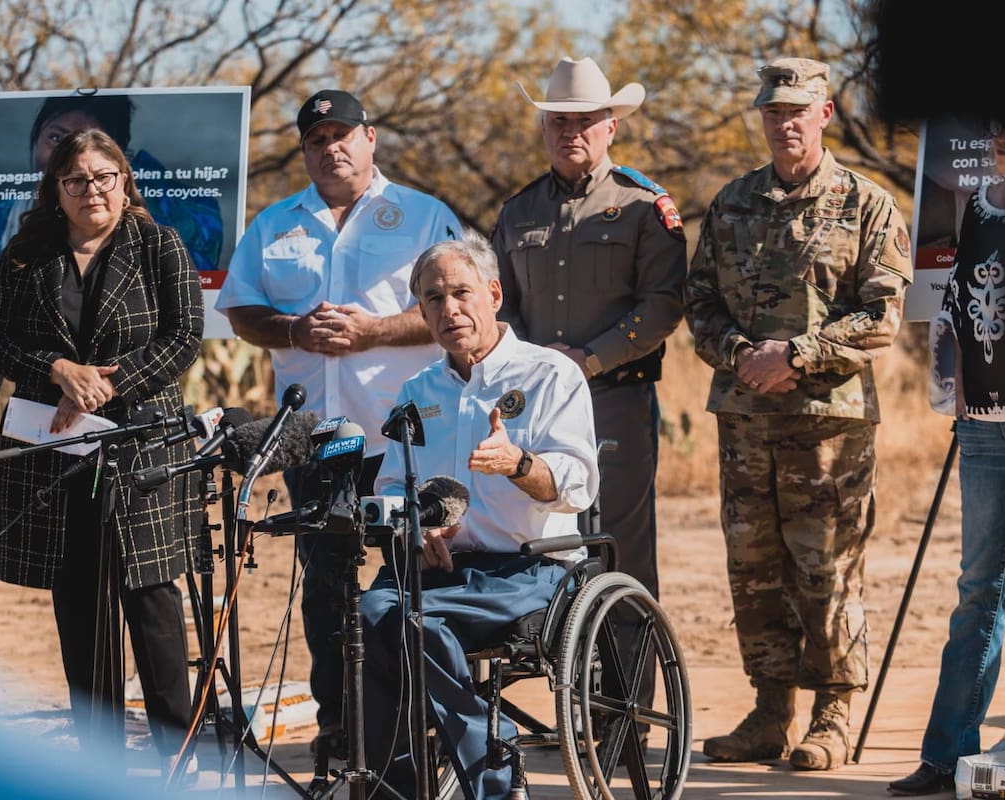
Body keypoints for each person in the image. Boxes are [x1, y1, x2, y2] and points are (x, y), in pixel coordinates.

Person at [214, 89, 461, 755]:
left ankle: (416, 729)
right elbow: (241, 310)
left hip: (407, 435)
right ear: (306, 150)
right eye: (318, 139)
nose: (332, 148)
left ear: (371, 137)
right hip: (319, 442)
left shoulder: (420, 215)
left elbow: (457, 308)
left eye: (343, 134)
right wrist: (294, 328)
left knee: (417, 579)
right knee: (325, 591)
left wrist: (376, 330)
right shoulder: (276, 224)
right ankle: (340, 729)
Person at [684, 57, 913, 770]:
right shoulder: (731, 203)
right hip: (746, 419)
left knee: (827, 568)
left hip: (829, 424)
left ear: (826, 113)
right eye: (772, 111)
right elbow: (700, 303)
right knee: (753, 569)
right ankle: (769, 711)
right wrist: (742, 355)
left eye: (797, 110)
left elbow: (883, 314)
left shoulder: (865, 204)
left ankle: (833, 714)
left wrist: (800, 354)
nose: (784, 123)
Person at [0, 128, 204, 779]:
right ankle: (100, 764)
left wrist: (106, 382)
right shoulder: (27, 255)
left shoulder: (159, 245)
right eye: (76, 180)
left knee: (152, 600)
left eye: (104, 176)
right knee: (79, 602)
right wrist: (56, 368)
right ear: (57, 189)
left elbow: (184, 336)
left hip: (143, 447)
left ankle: (177, 761)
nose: (92, 190)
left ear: (124, 180)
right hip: (56, 446)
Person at [361, 233, 599, 799]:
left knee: (413, 619)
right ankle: (394, 788)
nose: (450, 310)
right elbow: (394, 487)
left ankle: (494, 780)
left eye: (461, 293)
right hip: (443, 569)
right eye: (434, 299)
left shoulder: (550, 375)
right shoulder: (416, 392)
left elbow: (580, 485)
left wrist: (519, 462)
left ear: (493, 294)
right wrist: (418, 530)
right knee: (371, 612)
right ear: (422, 312)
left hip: (531, 569)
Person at [887, 119, 1005, 796]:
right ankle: (945, 757)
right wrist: (962, 397)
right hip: (987, 430)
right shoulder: (979, 208)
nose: (999, 139)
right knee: (978, 593)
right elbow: (962, 306)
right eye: (996, 127)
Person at [491, 55, 687, 635]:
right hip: (531, 407)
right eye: (558, 121)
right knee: (536, 542)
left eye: (584, 120)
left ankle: (629, 722)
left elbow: (663, 304)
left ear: (611, 126)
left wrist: (588, 359)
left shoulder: (643, 207)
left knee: (618, 549)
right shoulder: (518, 210)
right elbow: (501, 303)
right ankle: (571, 699)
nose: (570, 132)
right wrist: (534, 365)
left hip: (613, 401)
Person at [0, 94, 223, 274]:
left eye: (86, 141)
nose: (66, 154)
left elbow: (182, 326)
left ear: (119, 158)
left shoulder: (169, 229)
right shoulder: (4, 218)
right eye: (55, 137)